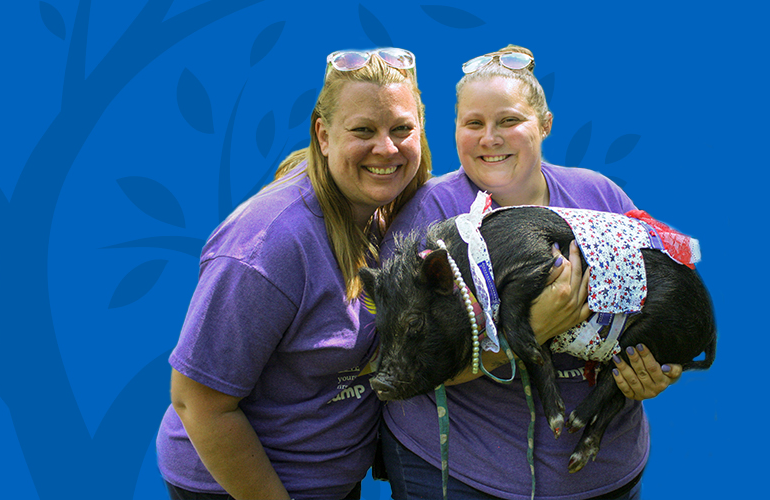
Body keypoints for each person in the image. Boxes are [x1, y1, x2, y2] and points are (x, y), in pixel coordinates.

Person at [378, 45, 682, 500]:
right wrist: (531, 332)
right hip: (463, 474)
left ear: (545, 124)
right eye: (473, 123)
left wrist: (656, 368)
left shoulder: (599, 195)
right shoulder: (428, 214)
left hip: (606, 474)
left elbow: (659, 304)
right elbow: (401, 363)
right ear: (455, 129)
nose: (490, 138)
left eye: (509, 121)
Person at [154, 47, 433, 500]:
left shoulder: (383, 216)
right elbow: (198, 402)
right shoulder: (268, 246)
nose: (387, 147)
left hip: (329, 479)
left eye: (402, 129)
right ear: (323, 135)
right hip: (241, 486)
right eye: (363, 130)